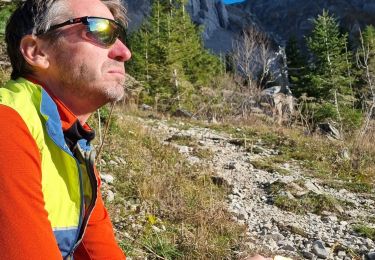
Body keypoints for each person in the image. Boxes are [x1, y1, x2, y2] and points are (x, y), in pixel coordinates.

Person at [0, 0, 131, 259]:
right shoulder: (7, 123)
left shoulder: (70, 138)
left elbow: (100, 253)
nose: (124, 52)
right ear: (36, 52)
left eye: (120, 36)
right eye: (101, 31)